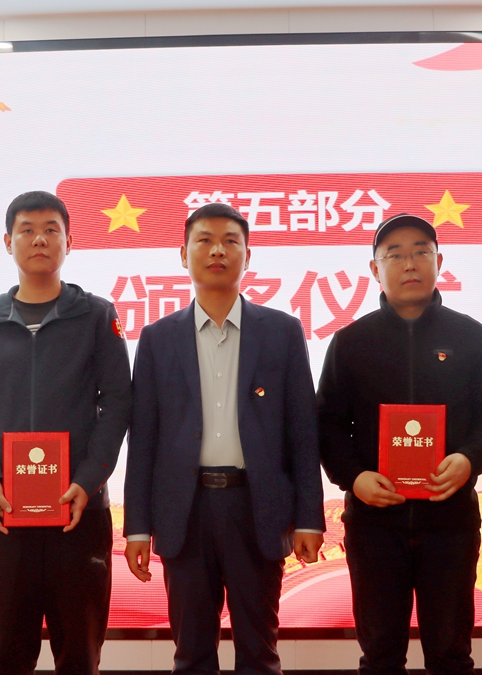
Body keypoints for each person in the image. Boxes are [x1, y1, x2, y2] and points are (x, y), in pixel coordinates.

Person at [124, 202, 325, 675]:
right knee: (191, 654)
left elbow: (302, 431)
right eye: (205, 240)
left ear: (247, 256)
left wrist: (308, 518)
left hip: (257, 507)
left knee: (260, 653)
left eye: (231, 241)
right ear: (184, 254)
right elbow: (143, 440)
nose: (217, 250)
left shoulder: (282, 332)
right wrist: (137, 527)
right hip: (185, 511)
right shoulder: (157, 338)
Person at [0, 190, 132, 675]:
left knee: (79, 656)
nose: (40, 240)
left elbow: (118, 404)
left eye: (51, 230)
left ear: (70, 241)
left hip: (78, 514)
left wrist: (87, 481)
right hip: (1, 514)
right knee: (9, 654)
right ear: (8, 242)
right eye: (26, 230)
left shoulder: (96, 315)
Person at [318, 213, 482, 675]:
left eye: (421, 252)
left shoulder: (472, 337)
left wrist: (468, 459)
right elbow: (326, 423)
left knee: (450, 654)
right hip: (374, 525)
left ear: (439, 261)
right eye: (396, 254)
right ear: (375, 269)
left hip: (450, 523)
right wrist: (355, 478)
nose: (410, 263)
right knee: (380, 656)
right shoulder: (350, 342)